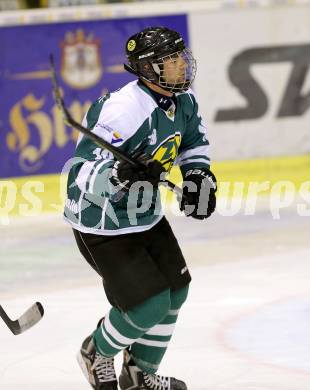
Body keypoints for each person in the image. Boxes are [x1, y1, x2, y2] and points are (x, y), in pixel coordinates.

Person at [64, 26, 217, 390]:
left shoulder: (185, 100)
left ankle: (138, 374)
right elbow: (80, 172)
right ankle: (96, 352)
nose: (182, 66)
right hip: (102, 221)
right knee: (149, 305)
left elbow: (193, 142)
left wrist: (197, 176)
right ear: (148, 69)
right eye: (171, 61)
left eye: (181, 57)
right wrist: (118, 172)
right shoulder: (123, 109)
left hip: (145, 214)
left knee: (176, 291)